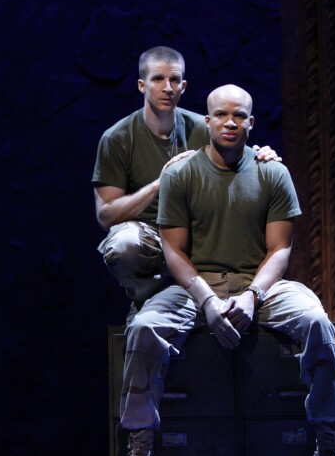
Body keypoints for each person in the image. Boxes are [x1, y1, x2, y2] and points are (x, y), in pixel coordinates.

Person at [101, 84, 335, 456]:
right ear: (207, 122)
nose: (230, 122)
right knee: (146, 326)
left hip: (260, 282)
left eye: (239, 115)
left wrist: (253, 296)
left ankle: (330, 449)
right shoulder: (183, 173)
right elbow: (173, 248)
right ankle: (141, 454)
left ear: (251, 122)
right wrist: (206, 299)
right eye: (221, 114)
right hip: (197, 285)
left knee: (316, 320)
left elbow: (280, 248)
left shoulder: (272, 171)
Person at [91, 46, 278, 323]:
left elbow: (241, 160)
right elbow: (106, 215)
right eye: (158, 79)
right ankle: (146, 301)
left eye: (175, 80)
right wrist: (158, 185)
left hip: (196, 229)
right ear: (142, 85)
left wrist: (265, 156)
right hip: (150, 234)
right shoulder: (117, 138)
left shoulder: (204, 128)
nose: (168, 88)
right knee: (124, 244)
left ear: (184, 85)